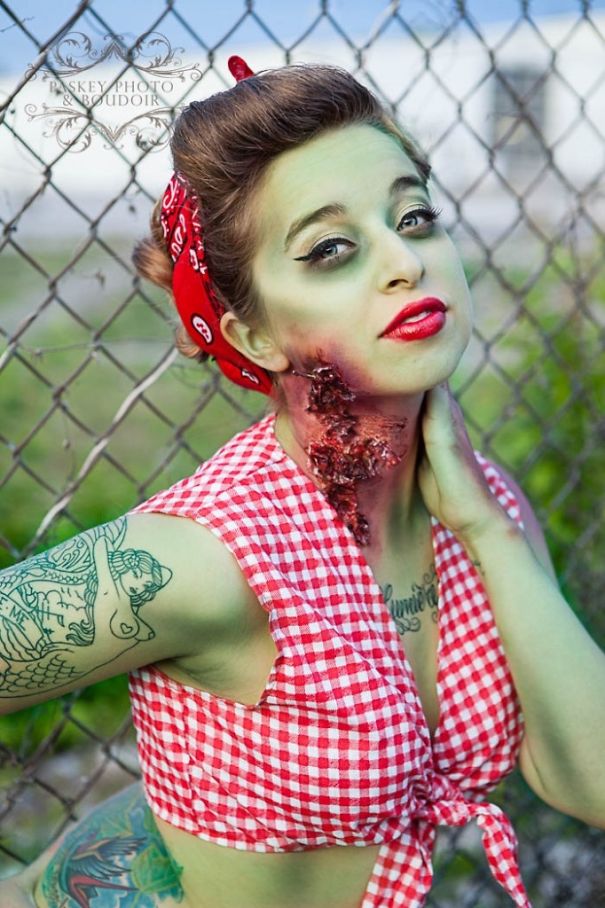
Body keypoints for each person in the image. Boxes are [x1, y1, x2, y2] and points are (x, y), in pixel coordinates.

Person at [1, 57, 604, 908]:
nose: (405, 261)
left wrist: (488, 532)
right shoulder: (207, 557)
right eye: (330, 250)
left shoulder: (485, 504)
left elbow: (587, 782)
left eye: (415, 217)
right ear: (252, 336)